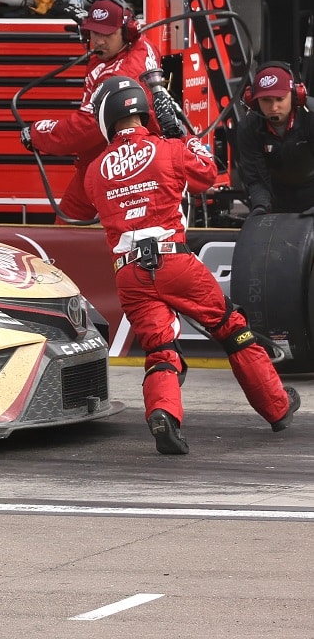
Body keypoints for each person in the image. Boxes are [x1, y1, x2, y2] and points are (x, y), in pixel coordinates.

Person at [83, 75, 297, 454]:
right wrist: (179, 132)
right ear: (144, 111)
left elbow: (83, 206)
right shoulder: (169, 147)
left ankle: (164, 414)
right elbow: (208, 173)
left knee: (161, 351)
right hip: (174, 260)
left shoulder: (94, 171)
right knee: (231, 328)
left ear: (105, 117)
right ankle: (277, 407)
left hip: (130, 273)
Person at [22, 0, 167, 223]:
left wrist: (38, 133)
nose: (98, 42)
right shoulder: (140, 45)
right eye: (94, 33)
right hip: (120, 155)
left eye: (106, 35)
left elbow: (85, 127)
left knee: (69, 231)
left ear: (127, 32)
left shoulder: (119, 75)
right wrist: (88, 20)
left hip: (121, 162)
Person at [235, 61, 314, 216]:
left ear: (296, 95)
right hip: (278, 192)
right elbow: (256, 177)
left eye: (280, 99)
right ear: (253, 100)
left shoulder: (311, 116)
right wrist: (261, 206)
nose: (273, 107)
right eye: (266, 100)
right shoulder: (248, 127)